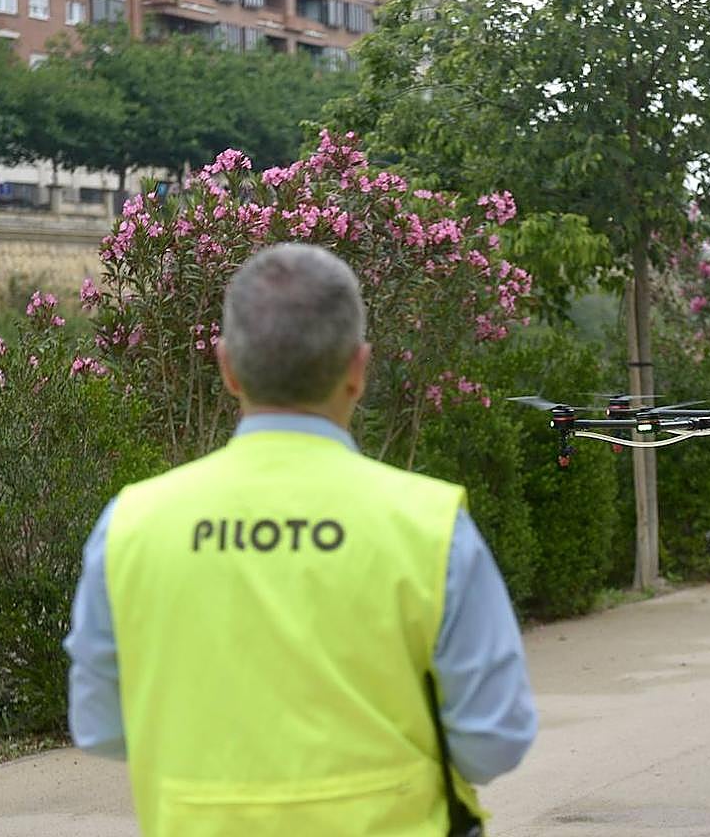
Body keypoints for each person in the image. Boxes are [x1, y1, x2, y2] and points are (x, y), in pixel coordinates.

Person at [64, 243, 537, 837]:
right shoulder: (429, 525)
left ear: (227, 367)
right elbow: (496, 740)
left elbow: (101, 726)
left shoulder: (133, 523)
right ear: (358, 370)